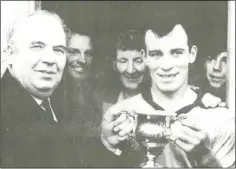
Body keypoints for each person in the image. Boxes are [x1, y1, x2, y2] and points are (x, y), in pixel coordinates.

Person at [100, 14, 235, 167]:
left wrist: (206, 158)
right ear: (145, 58)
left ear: (192, 54)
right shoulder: (121, 115)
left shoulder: (221, 119)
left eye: (176, 53)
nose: (166, 65)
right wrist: (111, 149)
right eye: (156, 54)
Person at [0, 10, 84, 167]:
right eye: (37, 47)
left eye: (58, 50)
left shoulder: (59, 104)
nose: (50, 59)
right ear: (10, 53)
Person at [102, 29, 147, 112]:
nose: (131, 70)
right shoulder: (105, 106)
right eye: (123, 61)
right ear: (114, 65)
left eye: (138, 60)